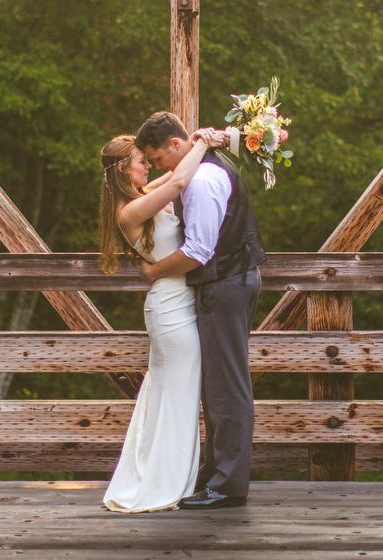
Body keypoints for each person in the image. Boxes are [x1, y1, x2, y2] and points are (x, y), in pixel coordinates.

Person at [135, 112, 266, 510]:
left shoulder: (202, 181)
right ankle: (217, 475)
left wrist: (154, 271)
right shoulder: (202, 167)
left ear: (176, 145)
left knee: (227, 386)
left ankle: (227, 486)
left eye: (157, 158)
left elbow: (197, 252)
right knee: (220, 386)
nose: (157, 167)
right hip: (230, 280)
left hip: (224, 284)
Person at [98, 128, 218, 513]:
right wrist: (205, 141)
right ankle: (164, 483)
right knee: (177, 397)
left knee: (174, 396)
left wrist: (199, 139)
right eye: (140, 162)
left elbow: (174, 173)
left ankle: (164, 478)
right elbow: (181, 178)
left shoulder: (142, 199)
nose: (148, 166)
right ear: (123, 170)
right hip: (171, 309)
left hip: (175, 303)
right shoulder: (130, 211)